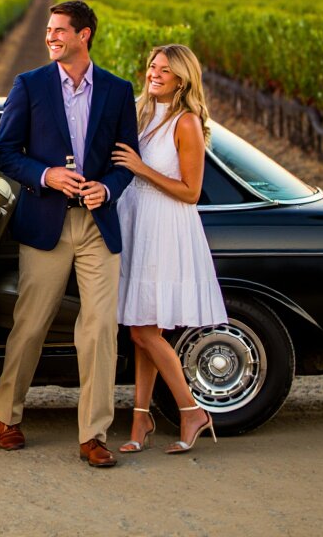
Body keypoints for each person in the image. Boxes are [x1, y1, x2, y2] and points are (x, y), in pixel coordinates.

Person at [0, 0, 140, 468]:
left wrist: (107, 188)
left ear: (84, 34)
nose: (50, 37)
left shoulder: (118, 90)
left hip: (98, 224)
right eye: (49, 30)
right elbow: (5, 153)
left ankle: (93, 435)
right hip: (45, 224)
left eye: (59, 30)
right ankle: (8, 416)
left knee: (99, 330)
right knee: (31, 324)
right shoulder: (29, 85)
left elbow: (127, 161)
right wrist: (47, 176)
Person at [110, 44, 227, 455]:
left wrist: (140, 168)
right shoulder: (141, 113)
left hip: (164, 228)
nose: (153, 74)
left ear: (182, 78)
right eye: (151, 67)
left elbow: (191, 192)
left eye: (164, 70)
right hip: (136, 223)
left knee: (142, 330)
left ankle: (191, 410)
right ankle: (141, 418)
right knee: (144, 328)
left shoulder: (186, 121)